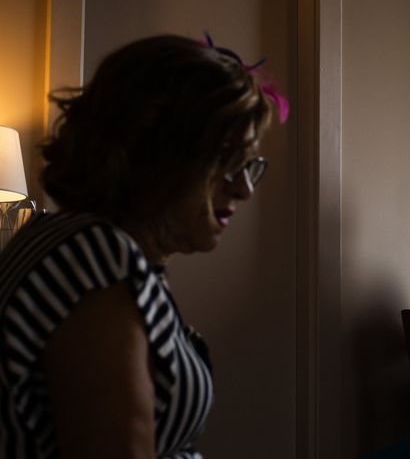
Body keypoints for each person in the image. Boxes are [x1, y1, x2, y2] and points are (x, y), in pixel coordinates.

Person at [0, 34, 286, 458]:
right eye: (228, 163)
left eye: (250, 167)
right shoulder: (95, 261)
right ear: (159, 153)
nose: (244, 190)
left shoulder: (82, 247)